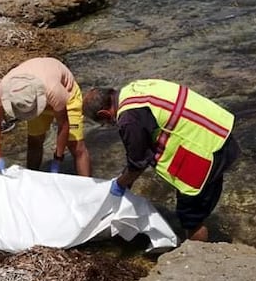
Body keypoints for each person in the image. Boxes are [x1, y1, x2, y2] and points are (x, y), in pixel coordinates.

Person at [82, 79, 240, 242]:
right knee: (199, 205)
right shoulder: (134, 88)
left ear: (105, 114)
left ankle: (198, 258)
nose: (108, 125)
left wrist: (120, 185)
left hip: (206, 152)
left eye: (103, 123)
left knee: (190, 218)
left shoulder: (128, 119)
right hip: (218, 132)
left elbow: (138, 163)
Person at [0, 57, 91, 176]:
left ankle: (88, 185)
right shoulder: (4, 90)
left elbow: (63, 124)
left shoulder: (54, 90)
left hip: (66, 93)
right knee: (35, 140)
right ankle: (32, 177)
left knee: (76, 146)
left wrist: (58, 158)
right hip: (38, 93)